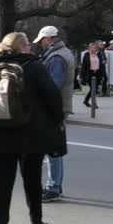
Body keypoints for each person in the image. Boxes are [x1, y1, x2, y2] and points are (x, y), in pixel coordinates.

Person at [0, 32, 64, 224]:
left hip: (0, 135)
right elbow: (53, 97)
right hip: (31, 135)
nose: (30, 48)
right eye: (28, 45)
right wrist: (57, 120)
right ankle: (36, 222)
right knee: (32, 179)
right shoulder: (35, 67)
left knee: (2, 182)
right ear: (22, 48)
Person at [33, 25, 75, 202]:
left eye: (41, 41)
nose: (40, 44)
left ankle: (53, 187)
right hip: (58, 106)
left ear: (49, 39)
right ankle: (56, 185)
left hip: (53, 107)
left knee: (52, 149)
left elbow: (53, 86)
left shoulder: (57, 57)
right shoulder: (62, 52)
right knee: (54, 147)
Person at [80, 42, 104, 108]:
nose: (93, 49)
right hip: (89, 73)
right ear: (89, 48)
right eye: (92, 48)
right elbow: (83, 66)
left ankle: (86, 101)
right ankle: (93, 104)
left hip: (97, 74)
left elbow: (101, 64)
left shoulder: (98, 54)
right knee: (94, 89)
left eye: (95, 48)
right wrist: (82, 76)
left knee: (95, 89)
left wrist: (102, 73)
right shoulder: (86, 54)